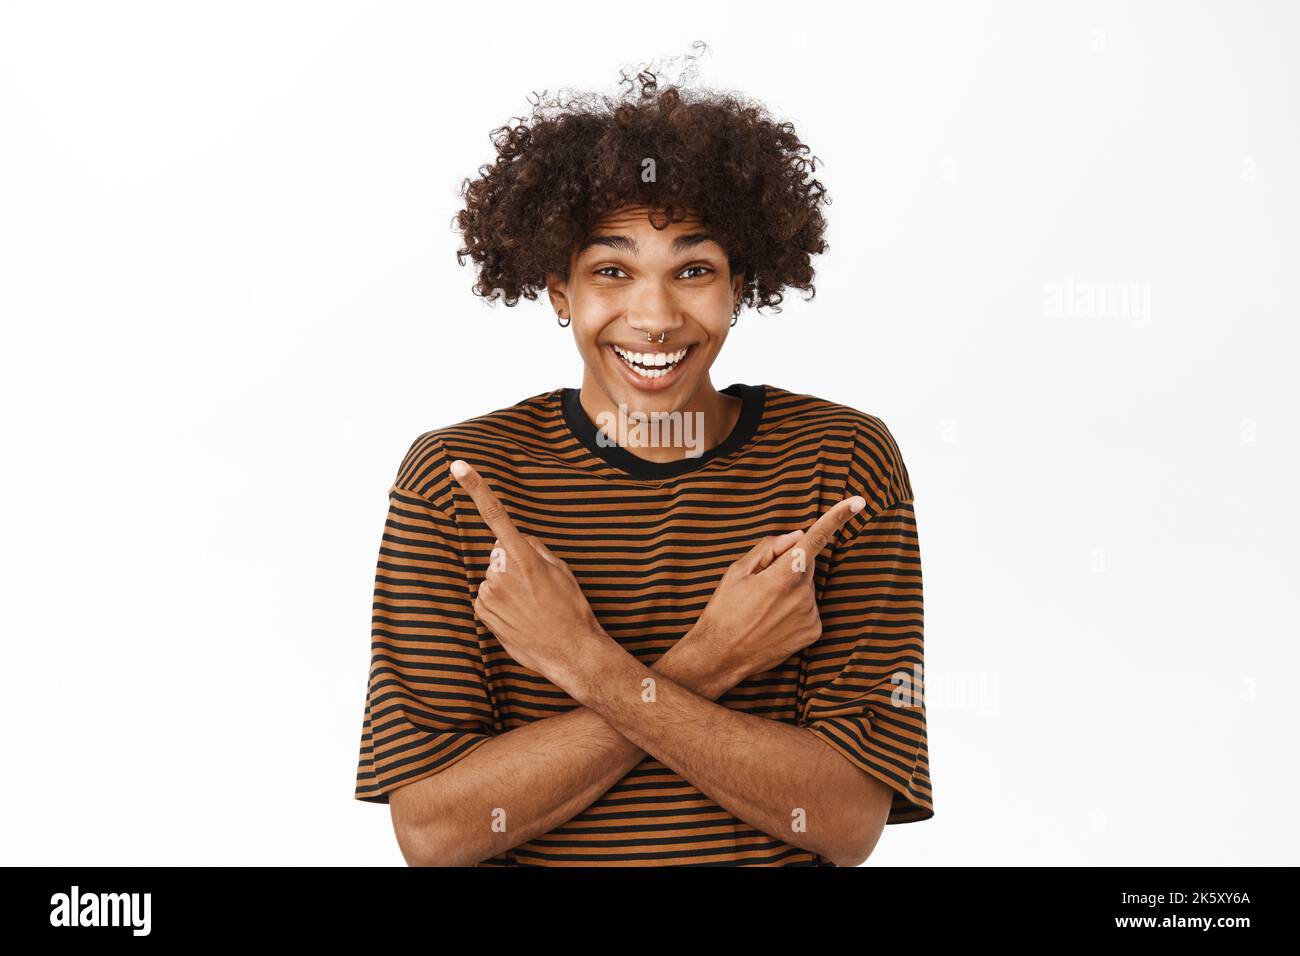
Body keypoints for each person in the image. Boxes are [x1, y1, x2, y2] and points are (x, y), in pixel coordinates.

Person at [353, 68, 933, 866]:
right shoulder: (457, 479)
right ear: (559, 290)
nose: (655, 318)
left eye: (693, 270)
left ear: (741, 286)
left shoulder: (839, 463)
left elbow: (842, 820)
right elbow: (435, 833)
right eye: (611, 272)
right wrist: (714, 658)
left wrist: (582, 661)